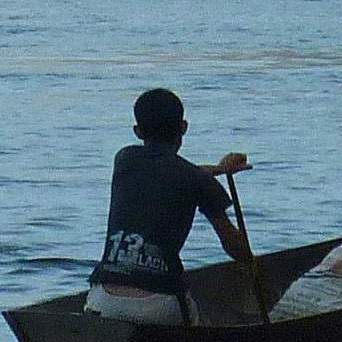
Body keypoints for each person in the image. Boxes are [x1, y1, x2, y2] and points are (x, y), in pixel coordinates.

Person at [84, 87, 250, 326]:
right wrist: (250, 260)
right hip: (159, 304)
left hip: (101, 300)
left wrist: (219, 170)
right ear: (183, 127)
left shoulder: (124, 159)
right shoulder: (197, 180)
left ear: (138, 131)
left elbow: (168, 170)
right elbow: (235, 249)